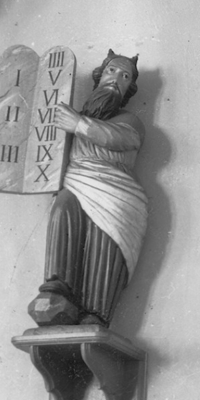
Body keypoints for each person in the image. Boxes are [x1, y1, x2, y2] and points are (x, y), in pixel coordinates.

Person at [29, 50, 148, 327]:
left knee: (102, 239)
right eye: (111, 71)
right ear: (99, 76)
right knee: (63, 205)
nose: (116, 78)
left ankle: (95, 312)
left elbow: (116, 138)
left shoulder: (129, 121)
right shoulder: (72, 119)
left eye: (125, 76)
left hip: (117, 192)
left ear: (129, 88)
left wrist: (79, 124)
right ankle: (56, 290)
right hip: (75, 182)